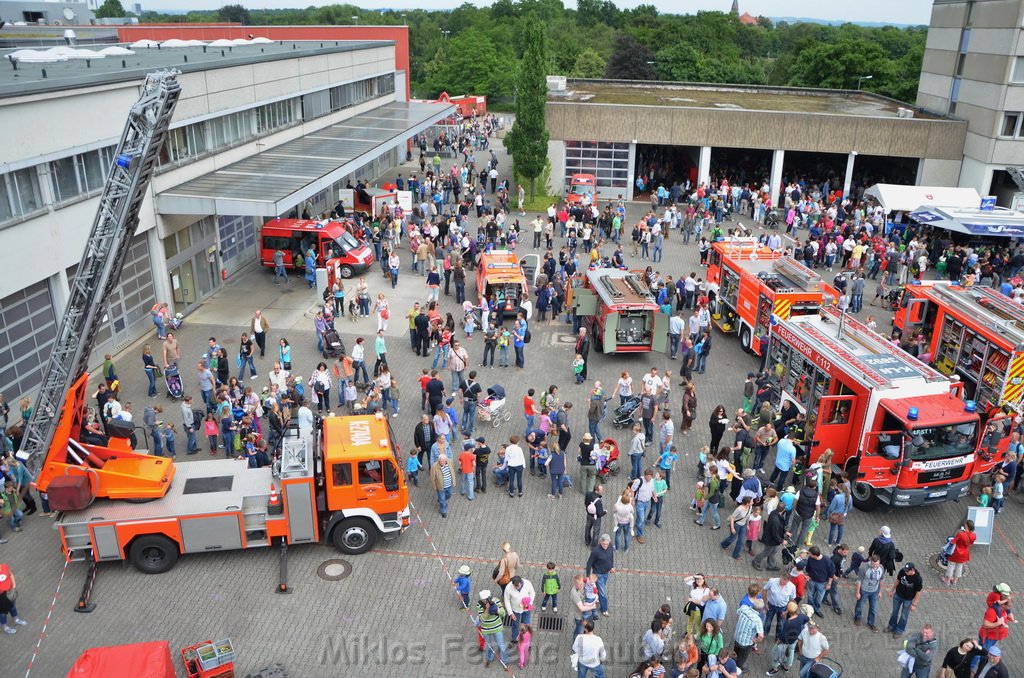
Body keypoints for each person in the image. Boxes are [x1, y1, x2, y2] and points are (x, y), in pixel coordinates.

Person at [888, 562, 924, 638]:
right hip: (898, 595)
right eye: (905, 570)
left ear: (912, 570)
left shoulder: (918, 579)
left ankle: (899, 630)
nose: (906, 572)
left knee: (904, 616)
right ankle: (891, 626)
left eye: (907, 571)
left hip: (908, 599)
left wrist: (914, 604)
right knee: (894, 612)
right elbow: (897, 580)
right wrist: (892, 590)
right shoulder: (902, 571)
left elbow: (918, 592)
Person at [477, 590, 509, 669]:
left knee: (501, 645)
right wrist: (487, 610)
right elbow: (482, 619)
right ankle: (489, 659)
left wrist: (496, 609)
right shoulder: (479, 604)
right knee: (489, 646)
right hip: (486, 629)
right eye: (483, 600)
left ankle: (505, 661)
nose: (484, 601)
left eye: (486, 599)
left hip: (497, 627)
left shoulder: (496, 601)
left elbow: (503, 613)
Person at [585, 534, 614, 617]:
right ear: (600, 542)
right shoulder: (595, 551)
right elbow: (589, 563)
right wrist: (588, 575)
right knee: (603, 593)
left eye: (607, 544)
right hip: (598, 574)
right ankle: (604, 609)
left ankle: (596, 596)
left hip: (606, 572)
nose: (606, 546)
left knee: (600, 587)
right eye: (604, 544)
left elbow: (611, 557)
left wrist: (611, 567)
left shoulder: (610, 546)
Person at [854, 554, 885, 632]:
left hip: (874, 591)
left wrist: (880, 591)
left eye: (877, 564)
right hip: (864, 590)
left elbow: (882, 580)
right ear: (870, 562)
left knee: (873, 609)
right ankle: (857, 618)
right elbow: (859, 581)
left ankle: (871, 623)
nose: (875, 566)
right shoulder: (864, 568)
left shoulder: (881, 567)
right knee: (860, 606)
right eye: (873, 564)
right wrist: (858, 592)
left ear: (879, 562)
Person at [732, 598, 764, 670]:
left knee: (736, 652)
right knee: (742, 657)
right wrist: (755, 640)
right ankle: (736, 669)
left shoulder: (744, 608)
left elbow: (738, 613)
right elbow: (761, 636)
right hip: (746, 643)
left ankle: (732, 662)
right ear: (761, 610)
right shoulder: (757, 620)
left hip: (737, 636)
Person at [943, 519, 976, 586]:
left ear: (966, 526)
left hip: (956, 552)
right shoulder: (974, 535)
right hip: (965, 553)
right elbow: (971, 543)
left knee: (951, 565)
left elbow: (953, 541)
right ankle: (955, 581)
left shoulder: (961, 534)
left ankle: (948, 580)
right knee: (959, 566)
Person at [503, 575, 535, 644]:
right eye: (515, 586)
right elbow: (507, 600)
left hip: (526, 609)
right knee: (515, 625)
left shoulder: (528, 584)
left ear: (521, 582)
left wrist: (530, 602)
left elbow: (532, 593)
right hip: (515, 610)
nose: (516, 588)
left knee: (526, 625)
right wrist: (510, 613)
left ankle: (526, 640)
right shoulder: (508, 587)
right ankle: (515, 639)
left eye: (518, 586)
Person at [0, 563, 28, 634]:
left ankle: (16, 619)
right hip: (1, 596)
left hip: (9, 592)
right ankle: (5, 627)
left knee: (12, 607)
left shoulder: (4, 566)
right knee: (2, 613)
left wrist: (14, 584)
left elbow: (10, 574)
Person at [570, 574, 599, 640]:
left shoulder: (585, 584)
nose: (581, 585)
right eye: (579, 584)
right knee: (579, 632)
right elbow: (582, 608)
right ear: (575, 583)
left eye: (582, 583)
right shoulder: (574, 593)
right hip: (580, 617)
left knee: (586, 629)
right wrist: (592, 607)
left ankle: (585, 638)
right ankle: (576, 643)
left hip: (588, 613)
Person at [429, 453, 455, 518]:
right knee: (442, 499)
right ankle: (443, 511)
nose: (442, 462)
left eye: (443, 461)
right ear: (439, 460)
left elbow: (452, 469)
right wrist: (434, 486)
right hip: (441, 487)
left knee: (450, 494)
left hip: (449, 485)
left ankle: (441, 500)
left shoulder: (449, 462)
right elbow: (432, 478)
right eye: (441, 461)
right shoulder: (434, 467)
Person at [584, 483, 606, 547]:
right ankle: (593, 546)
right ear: (596, 490)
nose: (602, 491)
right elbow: (600, 513)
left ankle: (587, 541)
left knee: (587, 528)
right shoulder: (598, 501)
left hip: (589, 515)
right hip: (596, 518)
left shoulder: (588, 494)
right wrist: (604, 512)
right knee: (596, 532)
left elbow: (585, 503)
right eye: (601, 490)